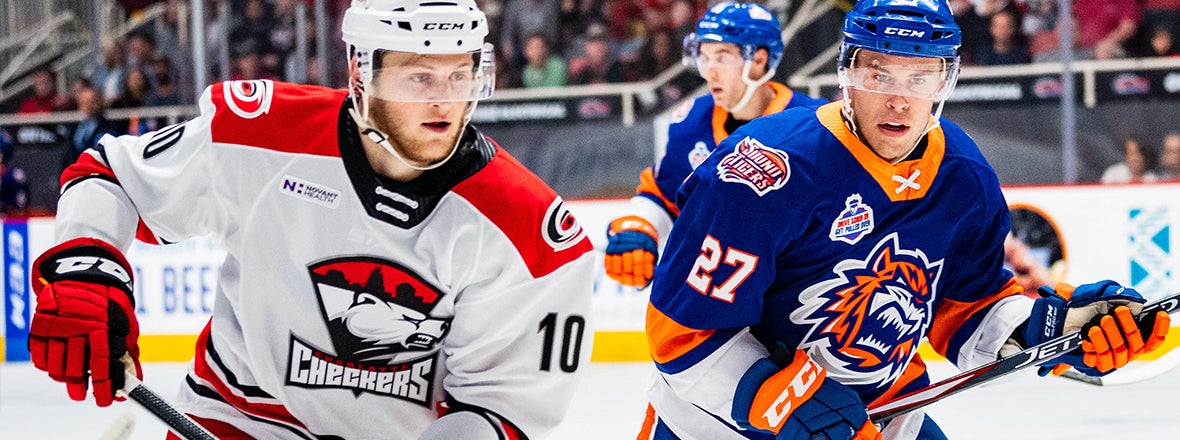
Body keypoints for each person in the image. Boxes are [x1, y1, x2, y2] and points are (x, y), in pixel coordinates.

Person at [26, 1, 596, 439]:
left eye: (459, 75)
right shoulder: (260, 132)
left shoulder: (530, 234)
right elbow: (111, 177)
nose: (444, 103)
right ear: (360, 71)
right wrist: (88, 269)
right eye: (419, 77)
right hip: (238, 419)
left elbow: (502, 412)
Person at [640, 1, 1172, 439]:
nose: (899, 100)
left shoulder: (962, 176)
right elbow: (682, 333)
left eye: (921, 76)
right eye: (879, 73)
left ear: (946, 81)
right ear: (847, 73)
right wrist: (776, 397)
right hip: (713, 424)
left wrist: (1054, 332)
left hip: (881, 418)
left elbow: (970, 307)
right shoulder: (765, 168)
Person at [603, 1, 825, 289]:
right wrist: (639, 226)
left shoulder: (816, 125)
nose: (710, 72)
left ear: (759, 60)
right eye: (705, 58)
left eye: (722, 57)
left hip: (794, 289)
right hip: (717, 290)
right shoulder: (694, 120)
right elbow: (663, 194)